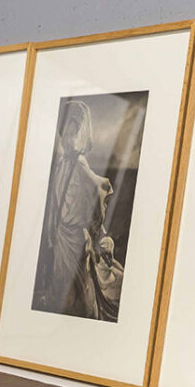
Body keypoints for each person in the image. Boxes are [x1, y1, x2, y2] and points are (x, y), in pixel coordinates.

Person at [34, 98, 122, 319]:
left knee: (78, 287)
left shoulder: (80, 165)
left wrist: (97, 233)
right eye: (65, 133)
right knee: (62, 286)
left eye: (73, 133)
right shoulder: (62, 165)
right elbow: (56, 202)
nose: (68, 139)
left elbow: (94, 198)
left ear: (81, 135)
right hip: (62, 235)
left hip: (75, 238)